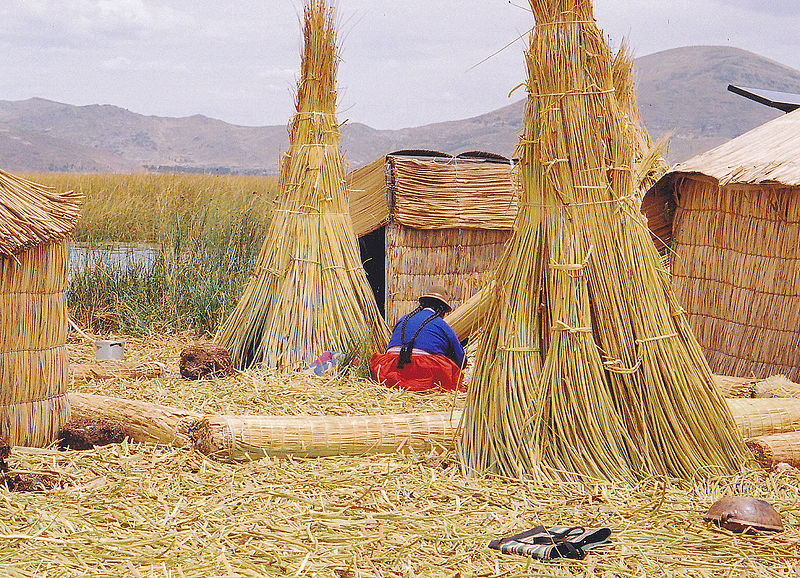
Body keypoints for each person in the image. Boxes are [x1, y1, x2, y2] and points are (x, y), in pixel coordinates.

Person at [370, 286, 466, 392]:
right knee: (448, 366)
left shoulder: (403, 319)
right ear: (442, 310)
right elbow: (461, 361)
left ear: (422, 304)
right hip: (423, 370)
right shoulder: (442, 325)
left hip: (390, 366)